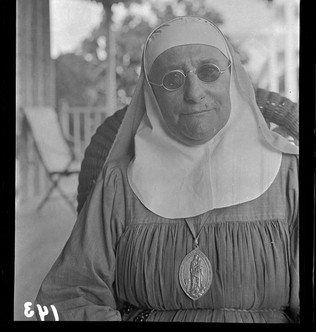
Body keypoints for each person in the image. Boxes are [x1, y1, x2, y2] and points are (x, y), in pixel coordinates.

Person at [35, 16, 299, 322]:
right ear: (152, 95)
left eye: (209, 72)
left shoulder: (288, 176)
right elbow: (67, 296)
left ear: (232, 78)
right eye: (173, 79)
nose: (194, 92)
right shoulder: (119, 183)